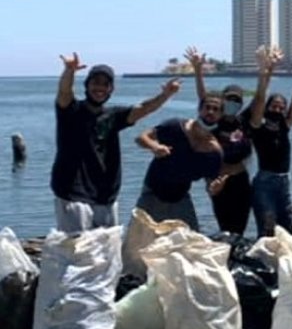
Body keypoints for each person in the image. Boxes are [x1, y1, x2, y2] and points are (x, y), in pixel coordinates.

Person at [51, 54, 181, 233]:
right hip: (73, 192)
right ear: (87, 85)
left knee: (106, 249)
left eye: (106, 84)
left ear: (111, 89)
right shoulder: (71, 111)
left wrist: (166, 95)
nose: (100, 88)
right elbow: (65, 91)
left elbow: (143, 109)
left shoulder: (113, 116)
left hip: (105, 194)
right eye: (96, 82)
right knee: (76, 248)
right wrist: (69, 71)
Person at [245, 47, 292, 236]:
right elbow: (259, 99)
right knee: (268, 226)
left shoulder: (285, 125)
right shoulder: (257, 125)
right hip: (264, 182)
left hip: (284, 181)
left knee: (288, 226)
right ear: (267, 107)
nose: (277, 110)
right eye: (274, 106)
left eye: (281, 107)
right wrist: (266, 71)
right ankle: (266, 262)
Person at [186, 46, 253, 235]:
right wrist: (198, 71)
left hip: (241, 181)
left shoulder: (244, 122)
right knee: (225, 227)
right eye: (229, 99)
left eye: (237, 100)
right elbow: (203, 98)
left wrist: (266, 73)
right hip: (217, 181)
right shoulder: (214, 121)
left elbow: (261, 99)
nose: (233, 103)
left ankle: (235, 259)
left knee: (239, 228)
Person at [134, 94, 224, 231]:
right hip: (152, 192)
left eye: (216, 109)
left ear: (221, 115)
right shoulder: (175, 126)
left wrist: (214, 187)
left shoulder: (213, 152)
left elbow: (210, 184)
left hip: (180, 197)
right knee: (138, 241)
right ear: (199, 110)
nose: (210, 112)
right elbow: (141, 138)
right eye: (207, 107)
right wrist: (154, 146)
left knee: (192, 240)